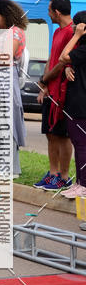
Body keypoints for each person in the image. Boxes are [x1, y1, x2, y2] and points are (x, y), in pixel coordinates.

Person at [34, 0, 74, 190]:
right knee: (50, 134)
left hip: (64, 93)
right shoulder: (58, 31)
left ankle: (64, 177)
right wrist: (45, 86)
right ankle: (52, 174)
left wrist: (45, 79)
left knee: (63, 135)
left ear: (56, 12)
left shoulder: (72, 32)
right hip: (51, 91)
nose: (48, 15)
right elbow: (52, 58)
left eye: (49, 11)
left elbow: (63, 63)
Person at [0, 0, 28, 177]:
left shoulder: (16, 32)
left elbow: (7, 55)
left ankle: (8, 168)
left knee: (6, 126)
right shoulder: (6, 33)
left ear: (6, 15)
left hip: (5, 82)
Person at [59, 13, 86, 197]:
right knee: (78, 143)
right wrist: (69, 67)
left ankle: (83, 184)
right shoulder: (82, 50)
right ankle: (79, 182)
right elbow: (67, 62)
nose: (74, 28)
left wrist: (76, 35)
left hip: (82, 105)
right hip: (76, 103)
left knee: (82, 145)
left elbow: (63, 56)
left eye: (77, 26)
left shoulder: (83, 48)